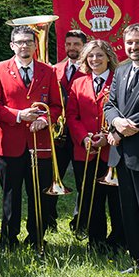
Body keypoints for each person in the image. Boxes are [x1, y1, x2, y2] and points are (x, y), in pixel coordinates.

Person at [0, 24, 62, 250]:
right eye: (19, 42)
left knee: (38, 195)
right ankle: (8, 240)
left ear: (34, 45)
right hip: (9, 145)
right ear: (12, 45)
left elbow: (57, 106)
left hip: (39, 143)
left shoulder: (47, 71)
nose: (24, 46)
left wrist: (45, 120)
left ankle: (37, 238)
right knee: (11, 195)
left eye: (29, 42)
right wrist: (19, 115)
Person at [66, 39, 123, 251]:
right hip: (86, 150)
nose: (95, 59)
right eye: (90, 55)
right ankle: (96, 241)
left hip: (113, 150)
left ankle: (118, 240)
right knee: (91, 198)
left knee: (116, 200)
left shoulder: (119, 80)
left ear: (109, 57)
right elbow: (72, 116)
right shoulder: (78, 83)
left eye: (99, 55)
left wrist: (107, 135)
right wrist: (84, 138)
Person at [104, 23, 139, 273]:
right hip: (122, 154)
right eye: (130, 42)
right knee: (129, 210)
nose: (134, 47)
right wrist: (116, 123)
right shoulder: (121, 69)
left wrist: (131, 125)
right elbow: (111, 104)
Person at [50, 30, 87, 230]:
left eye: (76, 44)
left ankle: (79, 222)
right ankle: (49, 221)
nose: (72, 48)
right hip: (59, 137)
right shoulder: (54, 69)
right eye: (69, 44)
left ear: (84, 47)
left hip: (81, 135)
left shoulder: (91, 70)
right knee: (52, 179)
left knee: (83, 182)